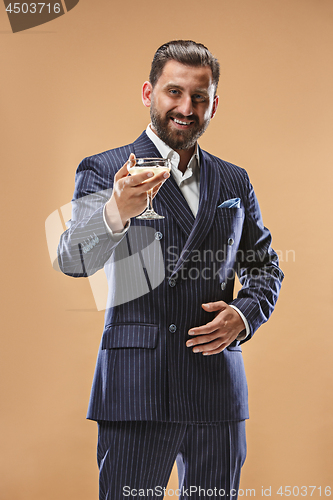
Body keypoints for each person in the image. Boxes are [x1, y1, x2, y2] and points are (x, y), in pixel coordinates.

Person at [58, 40, 284, 500]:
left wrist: (243, 315)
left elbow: (264, 267)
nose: (186, 107)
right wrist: (113, 213)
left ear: (214, 104)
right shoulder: (105, 169)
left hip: (215, 385)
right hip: (138, 387)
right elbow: (72, 259)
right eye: (174, 92)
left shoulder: (233, 180)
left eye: (199, 97)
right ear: (148, 93)